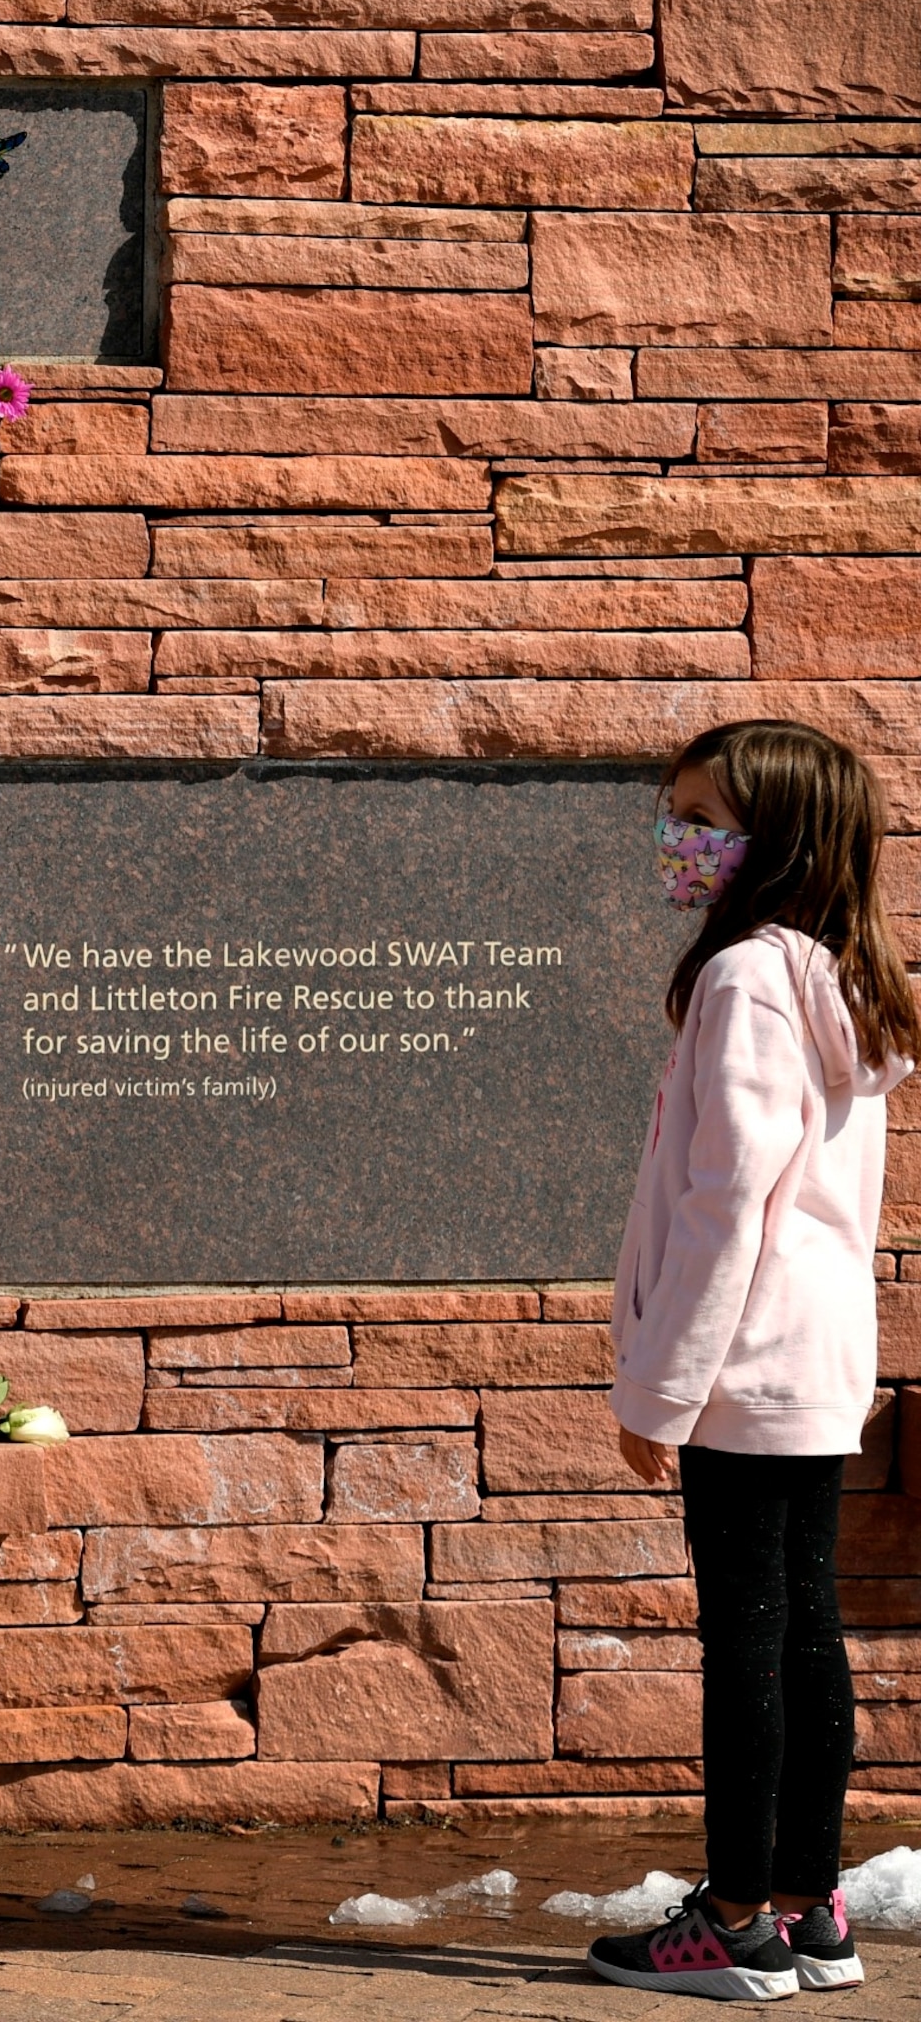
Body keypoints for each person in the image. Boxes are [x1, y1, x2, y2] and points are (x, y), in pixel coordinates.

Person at [590, 720, 919, 2002]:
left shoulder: (745, 982)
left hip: (742, 1362)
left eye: (701, 816)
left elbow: (728, 1202)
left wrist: (661, 1385)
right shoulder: (847, 975)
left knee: (750, 1639)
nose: (679, 840)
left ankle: (732, 1919)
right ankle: (808, 1904)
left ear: (774, 838)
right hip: (820, 1360)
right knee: (805, 1632)